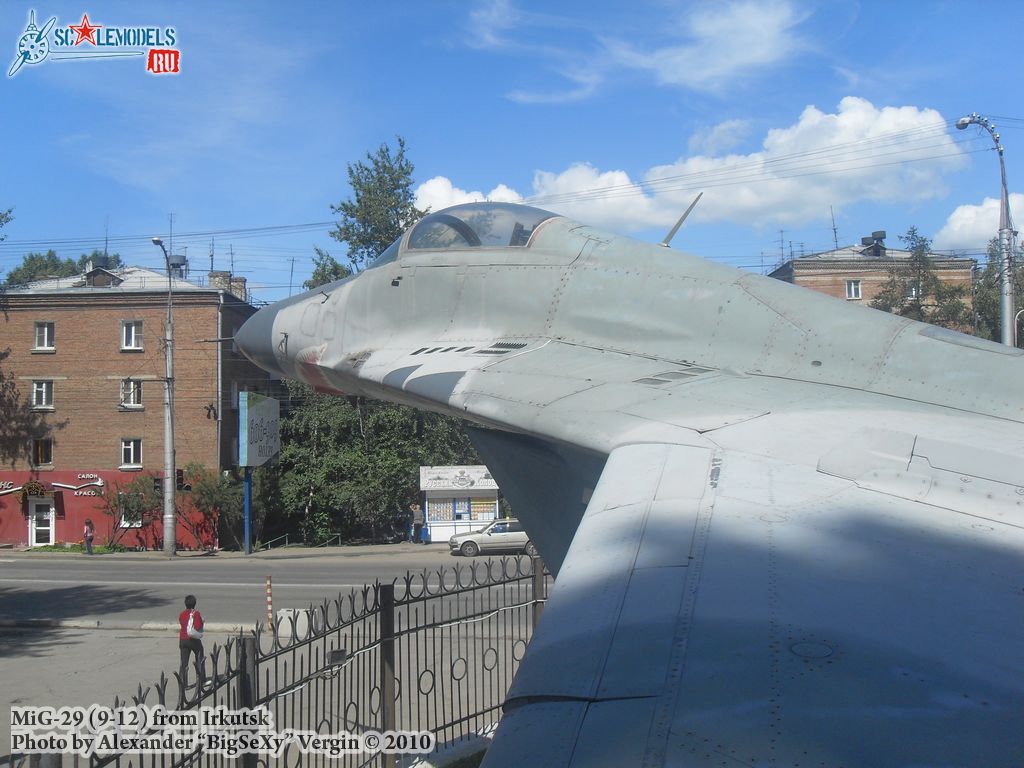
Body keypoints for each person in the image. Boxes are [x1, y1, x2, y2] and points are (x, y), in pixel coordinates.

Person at [178, 595, 206, 692]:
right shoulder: (196, 613)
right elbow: (197, 626)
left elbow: (182, 623)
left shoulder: (182, 614)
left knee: (184, 663)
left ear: (185, 604)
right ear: (195, 604)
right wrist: (202, 621)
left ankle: (183, 683)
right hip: (193, 640)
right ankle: (201, 679)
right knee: (200, 656)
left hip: (182, 640)